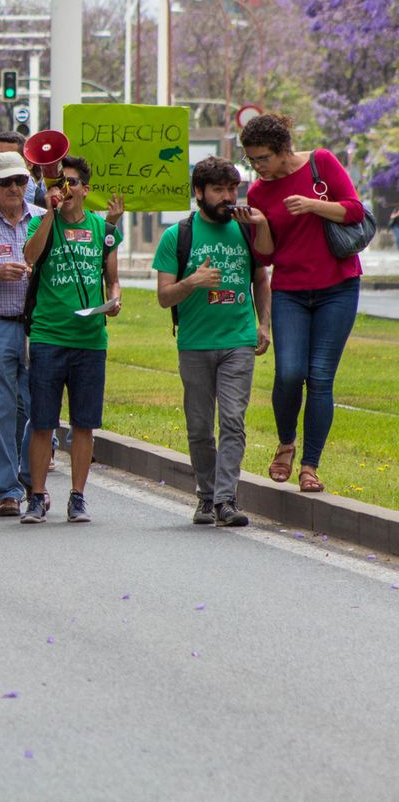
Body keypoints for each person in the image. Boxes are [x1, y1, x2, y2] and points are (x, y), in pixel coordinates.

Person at [241, 112, 365, 495]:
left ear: (282, 150)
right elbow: (264, 257)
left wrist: (313, 205)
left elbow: (354, 210)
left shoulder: (320, 162)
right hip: (291, 291)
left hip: (338, 287)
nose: (257, 166)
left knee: (321, 377)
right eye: (251, 160)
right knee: (289, 373)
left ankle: (310, 465)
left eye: (263, 158)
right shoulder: (258, 192)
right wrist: (261, 224)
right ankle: (286, 443)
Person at [155, 157, 274, 527]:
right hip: (195, 343)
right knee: (199, 426)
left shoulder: (246, 230)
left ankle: (226, 499)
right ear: (199, 192)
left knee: (233, 420)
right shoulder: (177, 236)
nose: (228, 197)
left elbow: (261, 279)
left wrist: (264, 324)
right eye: (219, 190)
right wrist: (193, 282)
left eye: (232, 189)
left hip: (238, 340)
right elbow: (164, 297)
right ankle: (206, 496)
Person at [19, 155, 121, 524]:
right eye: (58, 184)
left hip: (90, 339)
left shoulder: (102, 228)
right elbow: (30, 256)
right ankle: (37, 495)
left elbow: (112, 278)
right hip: (49, 335)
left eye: (71, 183)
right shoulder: (39, 221)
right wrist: (50, 212)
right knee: (42, 421)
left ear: (86, 190)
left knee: (84, 423)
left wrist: (115, 299)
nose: (65, 190)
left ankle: (77, 496)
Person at [0, 151, 45, 517]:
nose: (15, 188)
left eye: (21, 181)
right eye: (6, 182)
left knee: (38, 405)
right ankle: (8, 489)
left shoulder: (44, 219)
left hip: (38, 324)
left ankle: (32, 477)